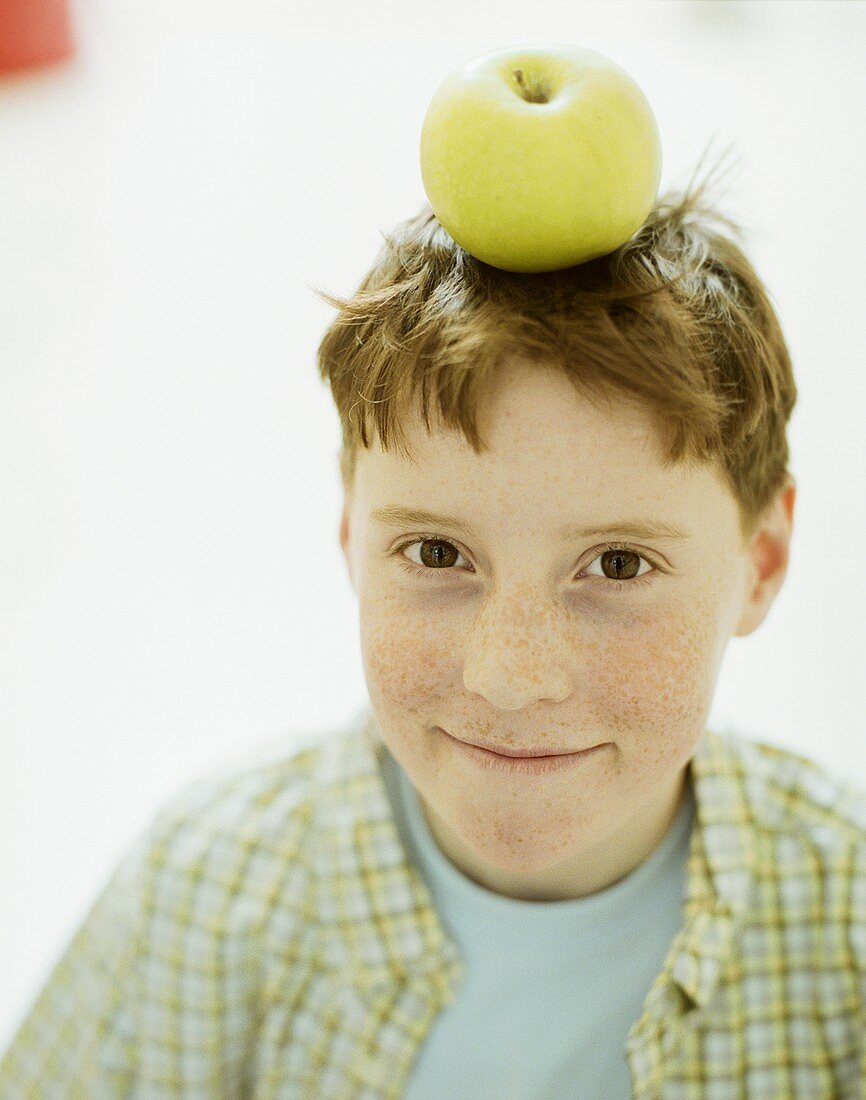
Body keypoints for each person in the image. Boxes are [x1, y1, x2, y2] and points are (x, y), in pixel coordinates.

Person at [2, 168, 865, 1099]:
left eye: (618, 565)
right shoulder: (199, 897)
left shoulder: (845, 932)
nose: (511, 676)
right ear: (350, 537)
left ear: (763, 563)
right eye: (437, 552)